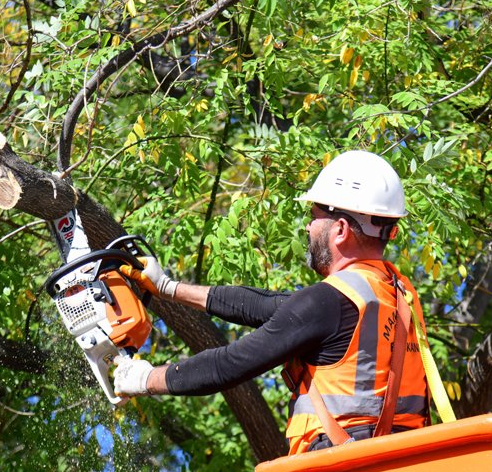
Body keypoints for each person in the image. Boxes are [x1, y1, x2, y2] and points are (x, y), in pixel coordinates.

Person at [114, 150, 430, 455]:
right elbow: (267, 306)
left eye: (314, 217)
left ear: (341, 230)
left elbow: (229, 364)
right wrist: (168, 287)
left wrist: (143, 378)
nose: (308, 227)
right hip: (403, 458)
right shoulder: (394, 295)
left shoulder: (330, 302)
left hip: (342, 465)